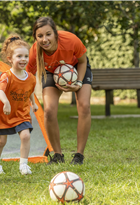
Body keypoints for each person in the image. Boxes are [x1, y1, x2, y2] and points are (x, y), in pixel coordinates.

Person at [26, 17, 93, 165]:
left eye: (48, 34)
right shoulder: (33, 53)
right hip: (51, 72)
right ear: (35, 38)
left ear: (55, 33)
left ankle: (79, 155)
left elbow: (83, 62)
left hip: (77, 68)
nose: (45, 39)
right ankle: (57, 155)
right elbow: (26, 79)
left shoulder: (70, 40)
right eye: (40, 36)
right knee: (49, 111)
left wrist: (78, 83)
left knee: (84, 106)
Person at [0, 35, 38, 175]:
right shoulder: (6, 76)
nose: (23, 59)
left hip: (21, 113)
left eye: (26, 56)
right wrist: (6, 102)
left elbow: (30, 91)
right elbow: (0, 91)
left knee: (26, 136)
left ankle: (23, 165)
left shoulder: (31, 78)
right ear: (10, 58)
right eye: (19, 56)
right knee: (1, 141)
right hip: (5, 114)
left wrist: (33, 104)